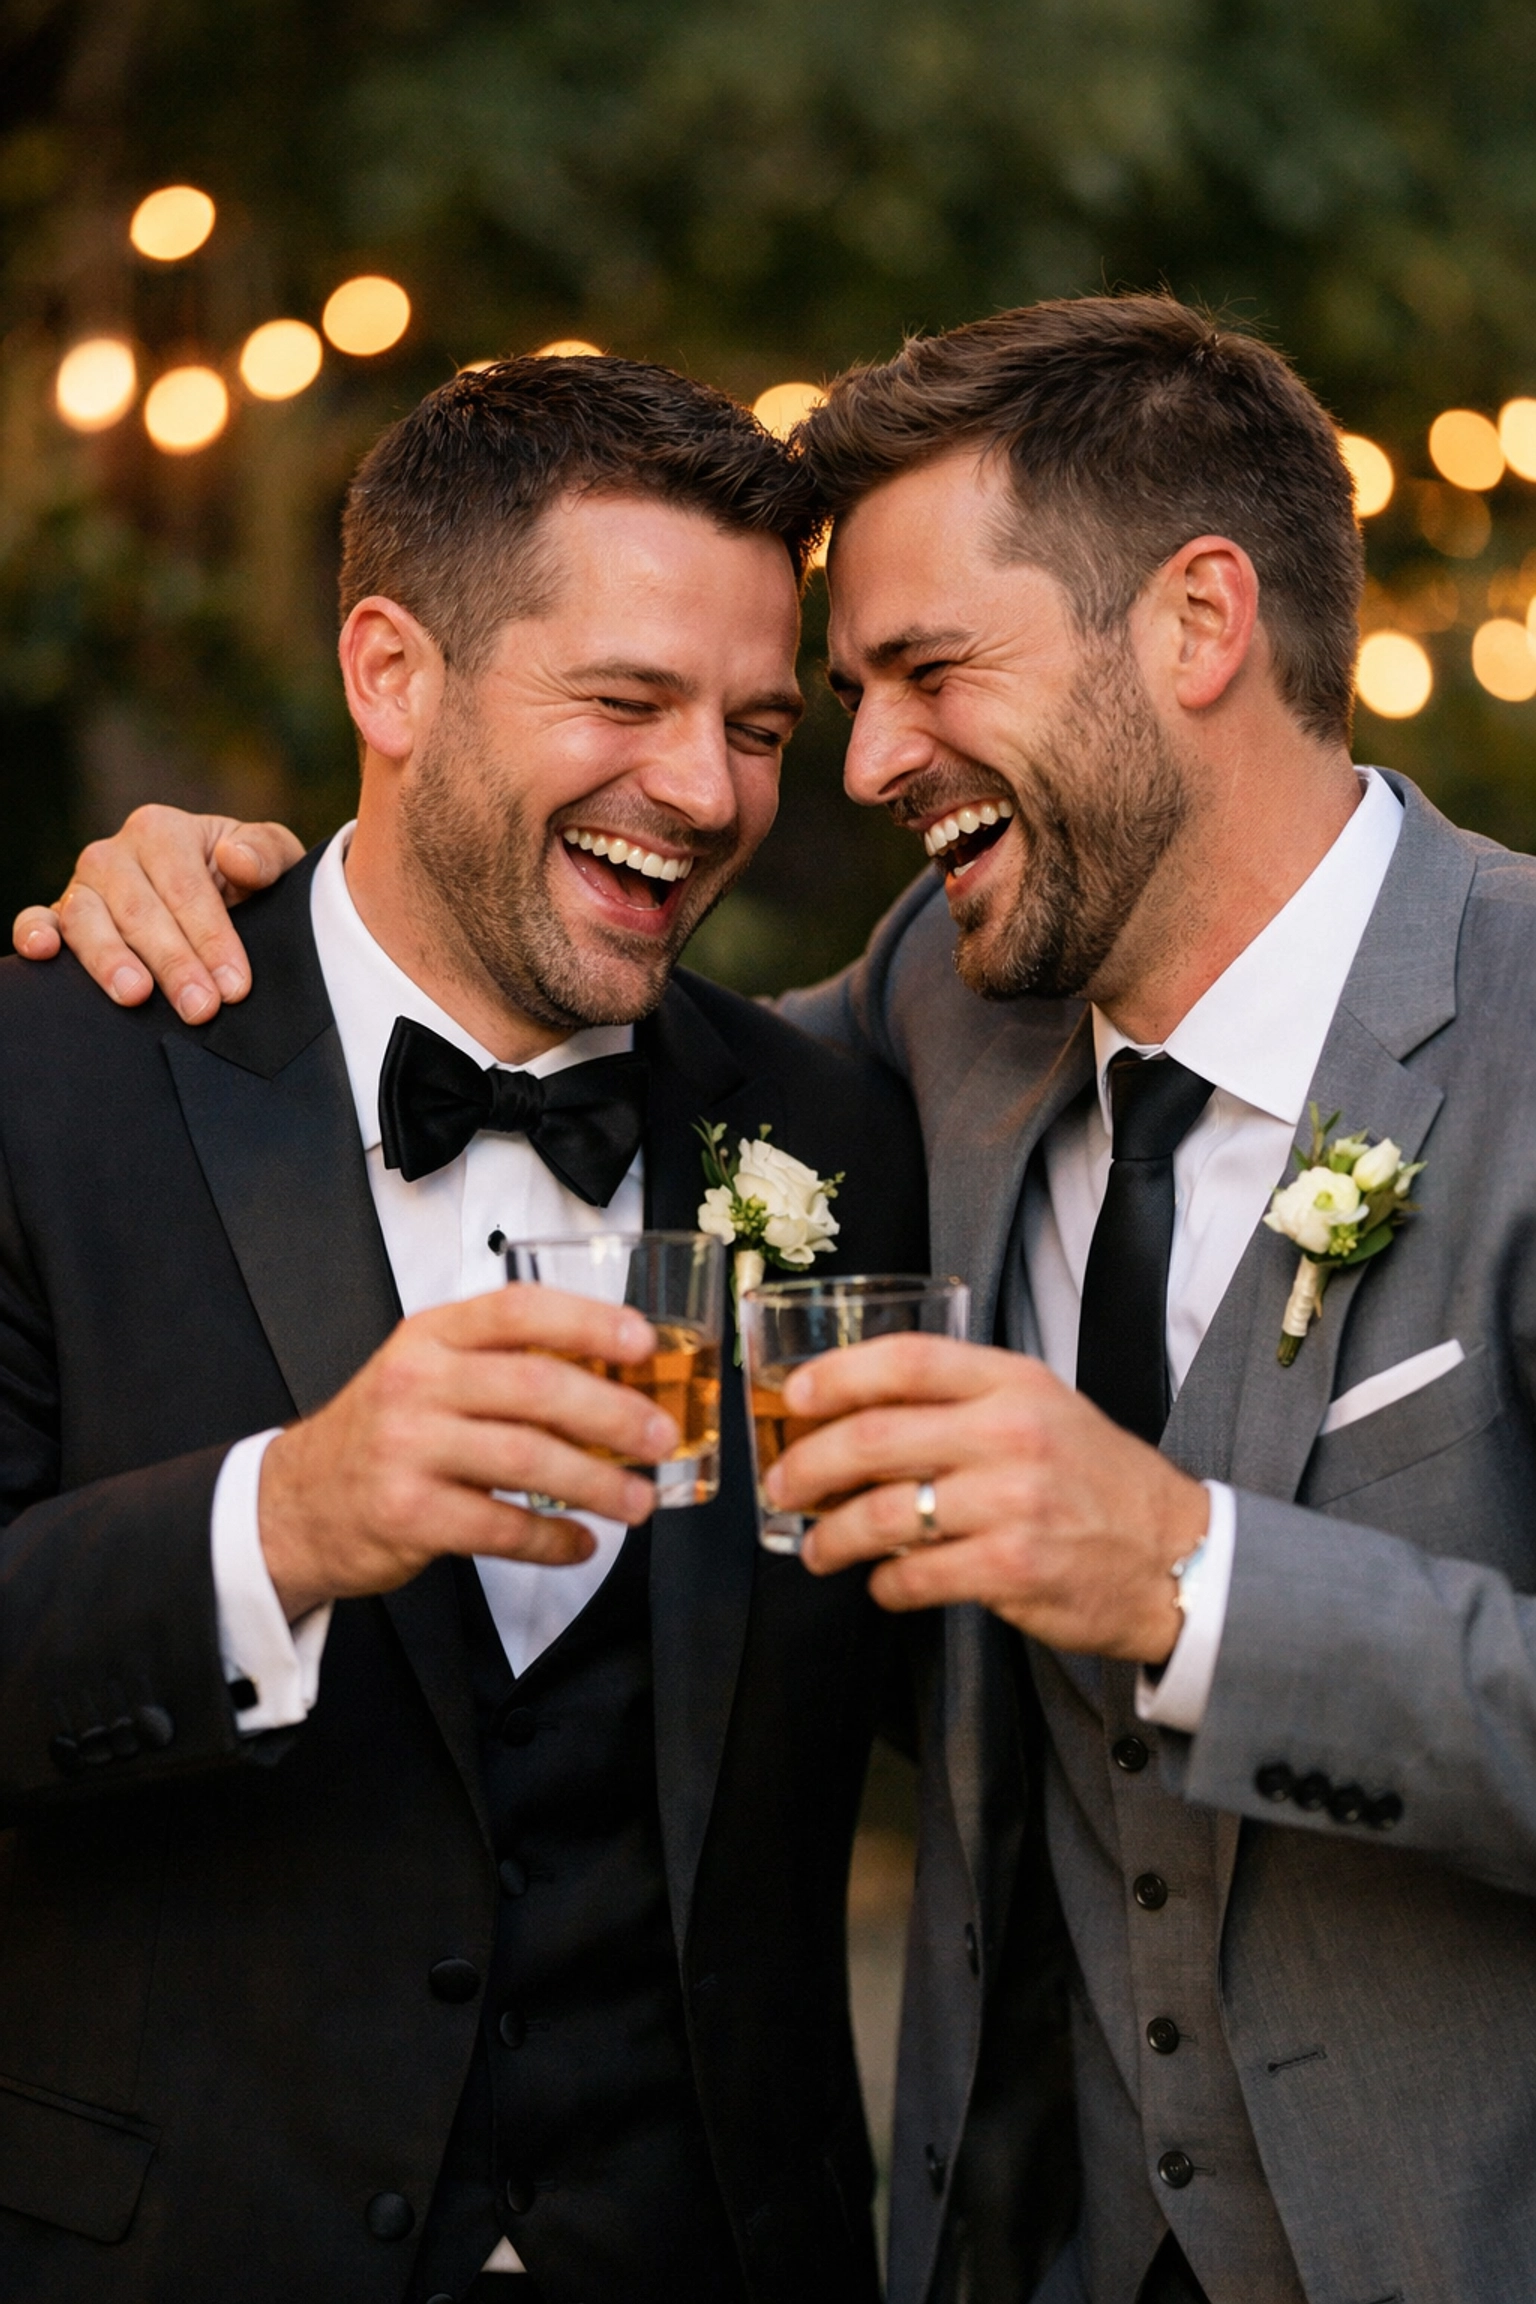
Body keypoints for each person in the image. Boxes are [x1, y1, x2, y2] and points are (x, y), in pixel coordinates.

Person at [30, 294, 1536, 2304]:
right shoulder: (940, 1027)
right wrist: (273, 1518)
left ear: (1196, 625)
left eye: (880, 684)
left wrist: (1191, 1577)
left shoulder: (896, 1080)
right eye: (829, 699)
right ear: (388, 671)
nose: (815, 775)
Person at [0, 354, 929, 2304]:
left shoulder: (844, 1128)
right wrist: (282, 1522)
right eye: (627, 699)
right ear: (390, 674)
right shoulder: (49, 1074)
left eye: (760, 725)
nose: (705, 790)